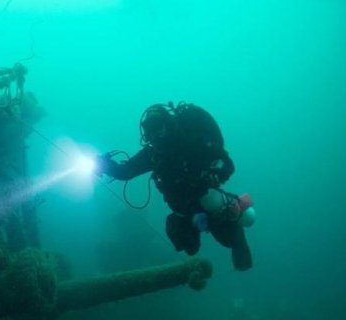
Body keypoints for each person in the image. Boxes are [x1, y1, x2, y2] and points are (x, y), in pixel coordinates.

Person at [97, 102, 254, 271]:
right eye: (148, 128)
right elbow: (125, 172)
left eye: (157, 126)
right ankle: (204, 223)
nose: (153, 133)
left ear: (168, 124)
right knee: (186, 244)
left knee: (227, 237)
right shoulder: (153, 155)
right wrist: (104, 165)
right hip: (183, 210)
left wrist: (213, 173)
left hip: (205, 200)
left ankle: (231, 224)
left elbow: (227, 165)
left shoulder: (192, 141)